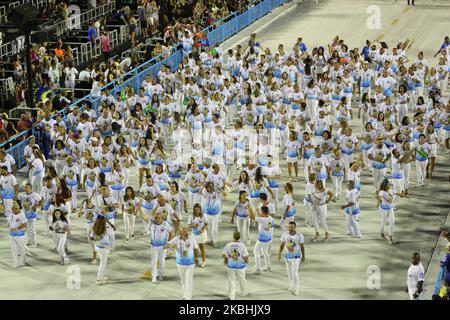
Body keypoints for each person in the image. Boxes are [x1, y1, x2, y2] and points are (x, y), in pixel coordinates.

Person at [164, 228, 199, 300]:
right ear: (180, 232)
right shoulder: (176, 239)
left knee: (189, 281)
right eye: (183, 231)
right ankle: (185, 295)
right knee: (183, 281)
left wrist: (196, 259)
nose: (185, 233)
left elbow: (196, 248)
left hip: (190, 263)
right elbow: (166, 245)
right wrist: (171, 246)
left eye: (185, 231)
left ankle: (188, 297)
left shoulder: (192, 239)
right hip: (180, 263)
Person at [278, 221, 305, 295]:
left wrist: (303, 256)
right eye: (289, 227)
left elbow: (302, 246)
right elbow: (282, 245)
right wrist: (279, 254)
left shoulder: (299, 235)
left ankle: (297, 288)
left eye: (292, 227)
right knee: (289, 273)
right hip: (287, 257)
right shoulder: (285, 234)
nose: (290, 228)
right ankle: (292, 284)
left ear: (295, 227)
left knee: (294, 273)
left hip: (296, 257)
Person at [222, 230, 250, 300]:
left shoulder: (228, 245)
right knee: (242, 279)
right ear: (240, 237)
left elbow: (223, 254)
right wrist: (246, 261)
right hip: (240, 266)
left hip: (231, 265)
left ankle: (231, 296)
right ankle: (244, 292)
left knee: (231, 281)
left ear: (233, 236)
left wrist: (226, 259)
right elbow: (246, 256)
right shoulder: (242, 245)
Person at [90, 213, 115, 285]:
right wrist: (112, 226)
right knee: (102, 264)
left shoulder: (94, 227)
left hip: (97, 247)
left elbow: (91, 237)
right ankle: (98, 279)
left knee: (102, 263)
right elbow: (112, 234)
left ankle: (101, 276)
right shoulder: (106, 229)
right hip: (104, 249)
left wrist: (96, 238)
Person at [150, 212, 173, 283]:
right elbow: (146, 217)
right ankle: (154, 276)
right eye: (156, 218)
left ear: (161, 218)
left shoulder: (165, 224)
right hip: (154, 246)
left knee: (162, 260)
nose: (157, 220)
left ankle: (161, 275)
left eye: (159, 218)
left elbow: (171, 231)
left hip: (163, 246)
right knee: (154, 261)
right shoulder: (152, 223)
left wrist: (169, 242)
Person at [8, 201, 28, 268]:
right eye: (13, 209)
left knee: (22, 249)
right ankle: (15, 262)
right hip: (11, 235)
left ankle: (22, 261)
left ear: (19, 209)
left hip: (20, 235)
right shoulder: (11, 213)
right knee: (13, 249)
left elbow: (25, 224)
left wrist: (16, 229)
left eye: (16, 209)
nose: (14, 210)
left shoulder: (22, 215)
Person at [187, 203, 208, 267]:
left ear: (200, 210)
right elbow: (188, 225)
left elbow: (207, 224)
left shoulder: (204, 216)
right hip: (194, 234)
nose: (196, 211)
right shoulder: (191, 216)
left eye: (198, 209)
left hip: (202, 234)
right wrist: (193, 225)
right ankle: (196, 261)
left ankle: (204, 261)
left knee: (202, 248)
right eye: (195, 209)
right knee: (195, 248)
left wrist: (203, 229)